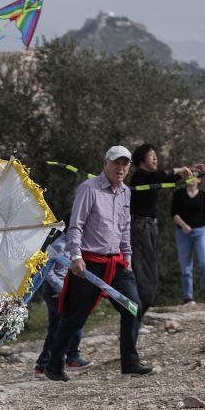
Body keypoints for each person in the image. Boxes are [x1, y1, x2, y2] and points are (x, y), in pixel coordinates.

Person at [44, 146, 152, 382]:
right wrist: (76, 257)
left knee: (133, 306)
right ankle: (53, 366)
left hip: (117, 262)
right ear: (106, 163)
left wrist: (128, 260)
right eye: (116, 163)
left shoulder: (126, 193)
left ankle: (130, 362)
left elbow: (125, 229)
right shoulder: (89, 188)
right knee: (75, 317)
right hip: (89, 262)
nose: (120, 168)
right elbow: (76, 225)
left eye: (125, 164)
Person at [127, 144, 203, 320]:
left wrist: (191, 172)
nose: (155, 158)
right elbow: (159, 176)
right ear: (141, 160)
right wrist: (179, 169)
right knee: (143, 277)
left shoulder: (151, 178)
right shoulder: (139, 177)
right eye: (151, 156)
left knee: (150, 277)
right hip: (139, 228)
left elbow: (169, 181)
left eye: (156, 155)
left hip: (150, 227)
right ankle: (133, 319)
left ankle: (137, 318)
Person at [34, 216, 94, 378]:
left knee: (56, 327)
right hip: (55, 291)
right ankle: (72, 358)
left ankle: (43, 365)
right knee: (74, 321)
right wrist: (62, 290)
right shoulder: (59, 246)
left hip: (61, 290)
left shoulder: (74, 245)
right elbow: (47, 273)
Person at [171, 176, 205, 305]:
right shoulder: (179, 194)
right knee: (186, 267)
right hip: (183, 233)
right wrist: (183, 225)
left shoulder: (203, 196)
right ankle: (188, 297)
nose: (191, 178)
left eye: (194, 176)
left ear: (199, 180)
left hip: (200, 232)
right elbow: (174, 214)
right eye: (189, 176)